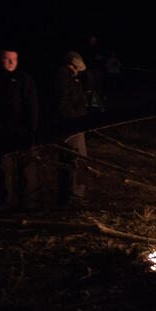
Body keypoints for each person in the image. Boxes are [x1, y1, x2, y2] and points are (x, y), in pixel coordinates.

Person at [0, 48, 39, 209]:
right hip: (3, 133)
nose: (11, 63)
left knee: (27, 169)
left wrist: (31, 129)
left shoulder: (24, 79)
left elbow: (32, 107)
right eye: (7, 59)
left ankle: (29, 202)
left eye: (14, 59)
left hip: (23, 132)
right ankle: (6, 202)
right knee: (4, 169)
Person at [54, 50, 89, 205]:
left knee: (72, 159)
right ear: (71, 65)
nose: (77, 73)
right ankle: (74, 195)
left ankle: (68, 194)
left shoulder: (67, 79)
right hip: (72, 126)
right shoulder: (63, 79)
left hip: (72, 124)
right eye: (76, 69)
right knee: (77, 158)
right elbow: (64, 104)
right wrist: (75, 121)